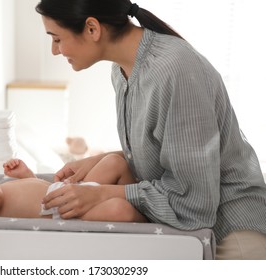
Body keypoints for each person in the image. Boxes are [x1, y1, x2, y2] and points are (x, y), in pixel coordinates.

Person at [35, 0, 266, 259]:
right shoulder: (121, 70)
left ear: (92, 28)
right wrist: (99, 159)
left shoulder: (175, 68)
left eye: (56, 39)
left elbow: (193, 201)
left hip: (231, 230)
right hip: (192, 224)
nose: (55, 51)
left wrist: (101, 194)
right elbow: (168, 148)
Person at [0, 154, 147, 223]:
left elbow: (35, 191)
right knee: (119, 209)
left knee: (115, 162)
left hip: (63, 190)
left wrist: (25, 176)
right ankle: (147, 224)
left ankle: (148, 207)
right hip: (66, 211)